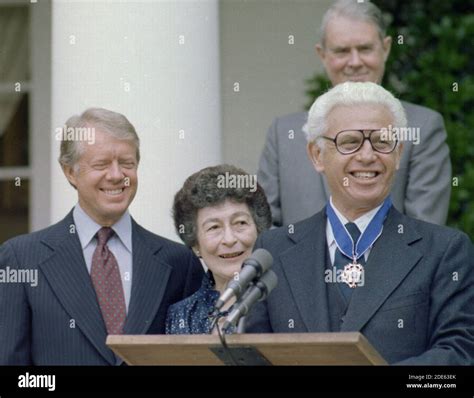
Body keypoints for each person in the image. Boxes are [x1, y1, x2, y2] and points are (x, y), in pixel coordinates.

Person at [246, 82, 474, 365]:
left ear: (398, 153)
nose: (367, 156)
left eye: (382, 141)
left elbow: (459, 355)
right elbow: (255, 356)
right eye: (350, 141)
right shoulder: (274, 250)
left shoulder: (445, 250)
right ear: (317, 155)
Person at [0, 108, 203, 365]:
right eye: (102, 164)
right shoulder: (22, 259)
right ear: (70, 172)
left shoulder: (179, 262)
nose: (117, 175)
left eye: (127, 163)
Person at [258, 0, 451, 227]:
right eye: (342, 51)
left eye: (365, 49)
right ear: (322, 55)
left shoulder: (423, 127)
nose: (355, 62)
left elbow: (425, 234)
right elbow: (265, 229)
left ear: (386, 48)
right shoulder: (283, 134)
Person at [165, 164, 272, 334]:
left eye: (240, 223)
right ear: (195, 244)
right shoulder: (182, 315)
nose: (229, 239)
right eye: (214, 227)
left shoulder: (285, 304)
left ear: (259, 230)